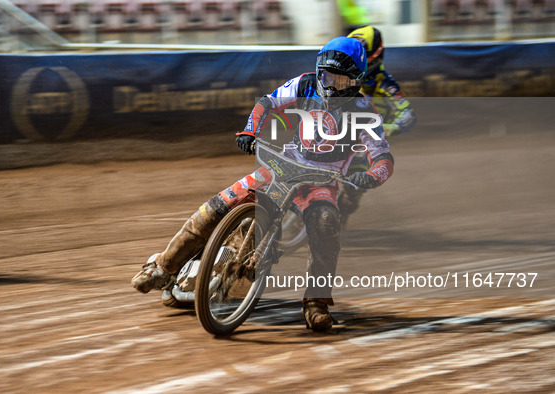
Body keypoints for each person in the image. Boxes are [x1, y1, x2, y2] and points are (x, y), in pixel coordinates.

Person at [131, 36, 395, 332]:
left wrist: (370, 176)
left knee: (326, 223)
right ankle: (162, 267)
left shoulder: (365, 113)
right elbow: (267, 102)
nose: (331, 84)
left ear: (356, 81)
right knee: (217, 206)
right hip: (282, 166)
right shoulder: (305, 84)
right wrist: (249, 131)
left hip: (323, 181)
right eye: (327, 75)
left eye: (340, 80)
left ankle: (316, 303)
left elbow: (383, 158)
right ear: (318, 71)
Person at [338, 25, 416, 228]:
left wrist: (391, 127)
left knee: (352, 191)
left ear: (376, 57)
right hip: (332, 130)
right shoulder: (337, 74)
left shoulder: (384, 83)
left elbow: (407, 114)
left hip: (362, 144)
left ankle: (335, 223)